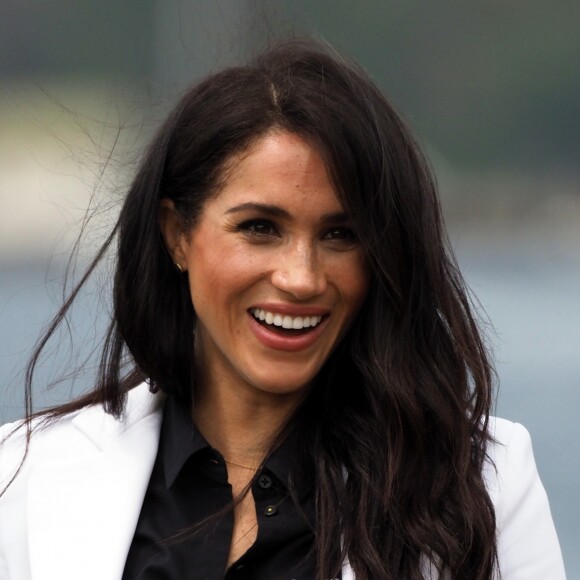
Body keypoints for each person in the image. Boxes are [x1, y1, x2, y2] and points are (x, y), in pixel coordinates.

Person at [0, 39, 566, 580]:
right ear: (177, 234)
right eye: (259, 228)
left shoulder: (482, 485)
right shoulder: (22, 476)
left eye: (341, 234)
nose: (301, 277)